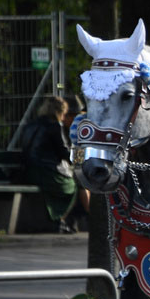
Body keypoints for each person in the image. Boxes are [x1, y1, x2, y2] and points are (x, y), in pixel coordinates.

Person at [21, 95, 88, 233]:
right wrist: (82, 159)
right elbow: (65, 152)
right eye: (64, 114)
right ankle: (60, 219)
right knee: (72, 186)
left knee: (76, 181)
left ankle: (64, 220)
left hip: (28, 171)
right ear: (60, 112)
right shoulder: (54, 126)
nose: (64, 118)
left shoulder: (31, 124)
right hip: (47, 172)